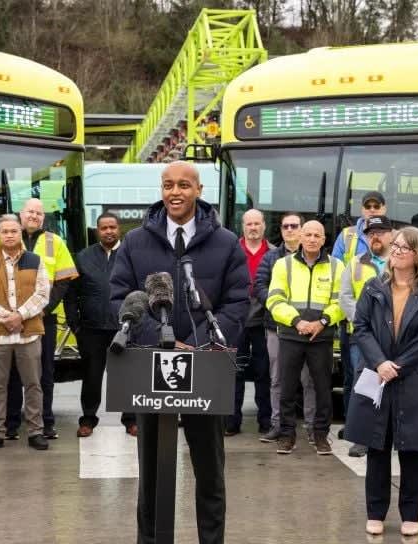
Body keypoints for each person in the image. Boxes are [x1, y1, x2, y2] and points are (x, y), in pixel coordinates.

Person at [110, 160, 249, 544]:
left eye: (184, 185)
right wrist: (162, 337)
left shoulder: (225, 243)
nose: (175, 192)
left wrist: (200, 344)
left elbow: (238, 302)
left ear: (199, 190)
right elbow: (121, 298)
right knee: (151, 474)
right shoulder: (136, 242)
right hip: (150, 368)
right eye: (168, 185)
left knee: (209, 473)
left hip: (207, 369)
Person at [344, 227, 418, 538]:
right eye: (396, 245)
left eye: (405, 247)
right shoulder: (374, 287)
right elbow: (360, 328)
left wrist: (396, 366)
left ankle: (410, 514)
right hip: (377, 374)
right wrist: (379, 362)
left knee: (412, 451)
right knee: (377, 446)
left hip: (414, 378)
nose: (397, 251)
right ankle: (375, 513)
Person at [1, 198, 78, 440]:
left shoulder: (55, 242)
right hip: (12, 319)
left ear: (43, 218)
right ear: (21, 215)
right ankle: (11, 424)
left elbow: (64, 281)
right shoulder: (7, 235)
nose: (34, 216)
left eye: (38, 213)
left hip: (44, 318)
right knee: (12, 372)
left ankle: (46, 422)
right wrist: (12, 314)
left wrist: (42, 309)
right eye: (30, 212)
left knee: (44, 373)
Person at [266, 220, 344, 456]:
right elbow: (274, 300)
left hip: (321, 338)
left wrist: (322, 322)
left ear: (324, 240)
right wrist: (297, 321)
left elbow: (340, 301)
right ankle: (287, 435)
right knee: (287, 388)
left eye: (316, 235)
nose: (311, 239)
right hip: (291, 335)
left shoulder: (336, 266)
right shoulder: (283, 265)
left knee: (322, 388)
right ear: (300, 237)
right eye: (307, 234)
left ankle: (321, 436)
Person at [0, 214, 50, 452]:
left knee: (33, 385)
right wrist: (5, 318)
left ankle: (36, 431)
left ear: (20, 233)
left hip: (28, 335)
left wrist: (20, 316)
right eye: (4, 231)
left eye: (13, 231)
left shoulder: (35, 260)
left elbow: (42, 294)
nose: (9, 235)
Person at [65, 212, 136, 438]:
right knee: (92, 377)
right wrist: (75, 325)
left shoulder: (130, 255)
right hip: (91, 330)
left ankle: (131, 420)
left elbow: (140, 291)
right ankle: (87, 419)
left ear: (119, 229)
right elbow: (71, 294)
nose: (108, 231)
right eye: (104, 228)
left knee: (126, 376)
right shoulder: (83, 257)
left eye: (112, 227)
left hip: (123, 328)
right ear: (97, 231)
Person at [254, 212, 317, 444]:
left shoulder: (316, 258)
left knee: (308, 380)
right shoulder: (271, 258)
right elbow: (259, 286)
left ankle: (312, 428)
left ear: (302, 229)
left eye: (294, 226)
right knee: (278, 379)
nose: (289, 230)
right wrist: (277, 307)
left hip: (307, 330)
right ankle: (277, 425)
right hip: (277, 327)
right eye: (285, 226)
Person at [332, 191, 387, 439]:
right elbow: (343, 291)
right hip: (357, 330)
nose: (372, 209)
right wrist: (363, 322)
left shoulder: (398, 257)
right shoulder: (348, 239)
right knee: (356, 379)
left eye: (377, 206)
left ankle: (383, 428)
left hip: (390, 331)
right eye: (368, 206)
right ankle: (356, 429)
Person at [339, 215, 394, 457]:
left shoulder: (401, 261)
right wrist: (365, 323)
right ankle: (362, 438)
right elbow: (345, 297)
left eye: (381, 232)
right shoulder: (355, 263)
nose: (376, 237)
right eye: (371, 233)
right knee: (364, 386)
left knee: (395, 386)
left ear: (391, 234)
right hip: (362, 337)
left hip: (395, 336)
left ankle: (391, 434)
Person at [226, 208, 273, 436]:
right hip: (237, 319)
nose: (253, 228)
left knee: (265, 372)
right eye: (249, 224)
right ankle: (231, 421)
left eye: (257, 223)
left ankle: (266, 421)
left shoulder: (275, 253)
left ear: (264, 226)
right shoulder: (232, 251)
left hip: (265, 321)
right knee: (234, 371)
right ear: (242, 227)